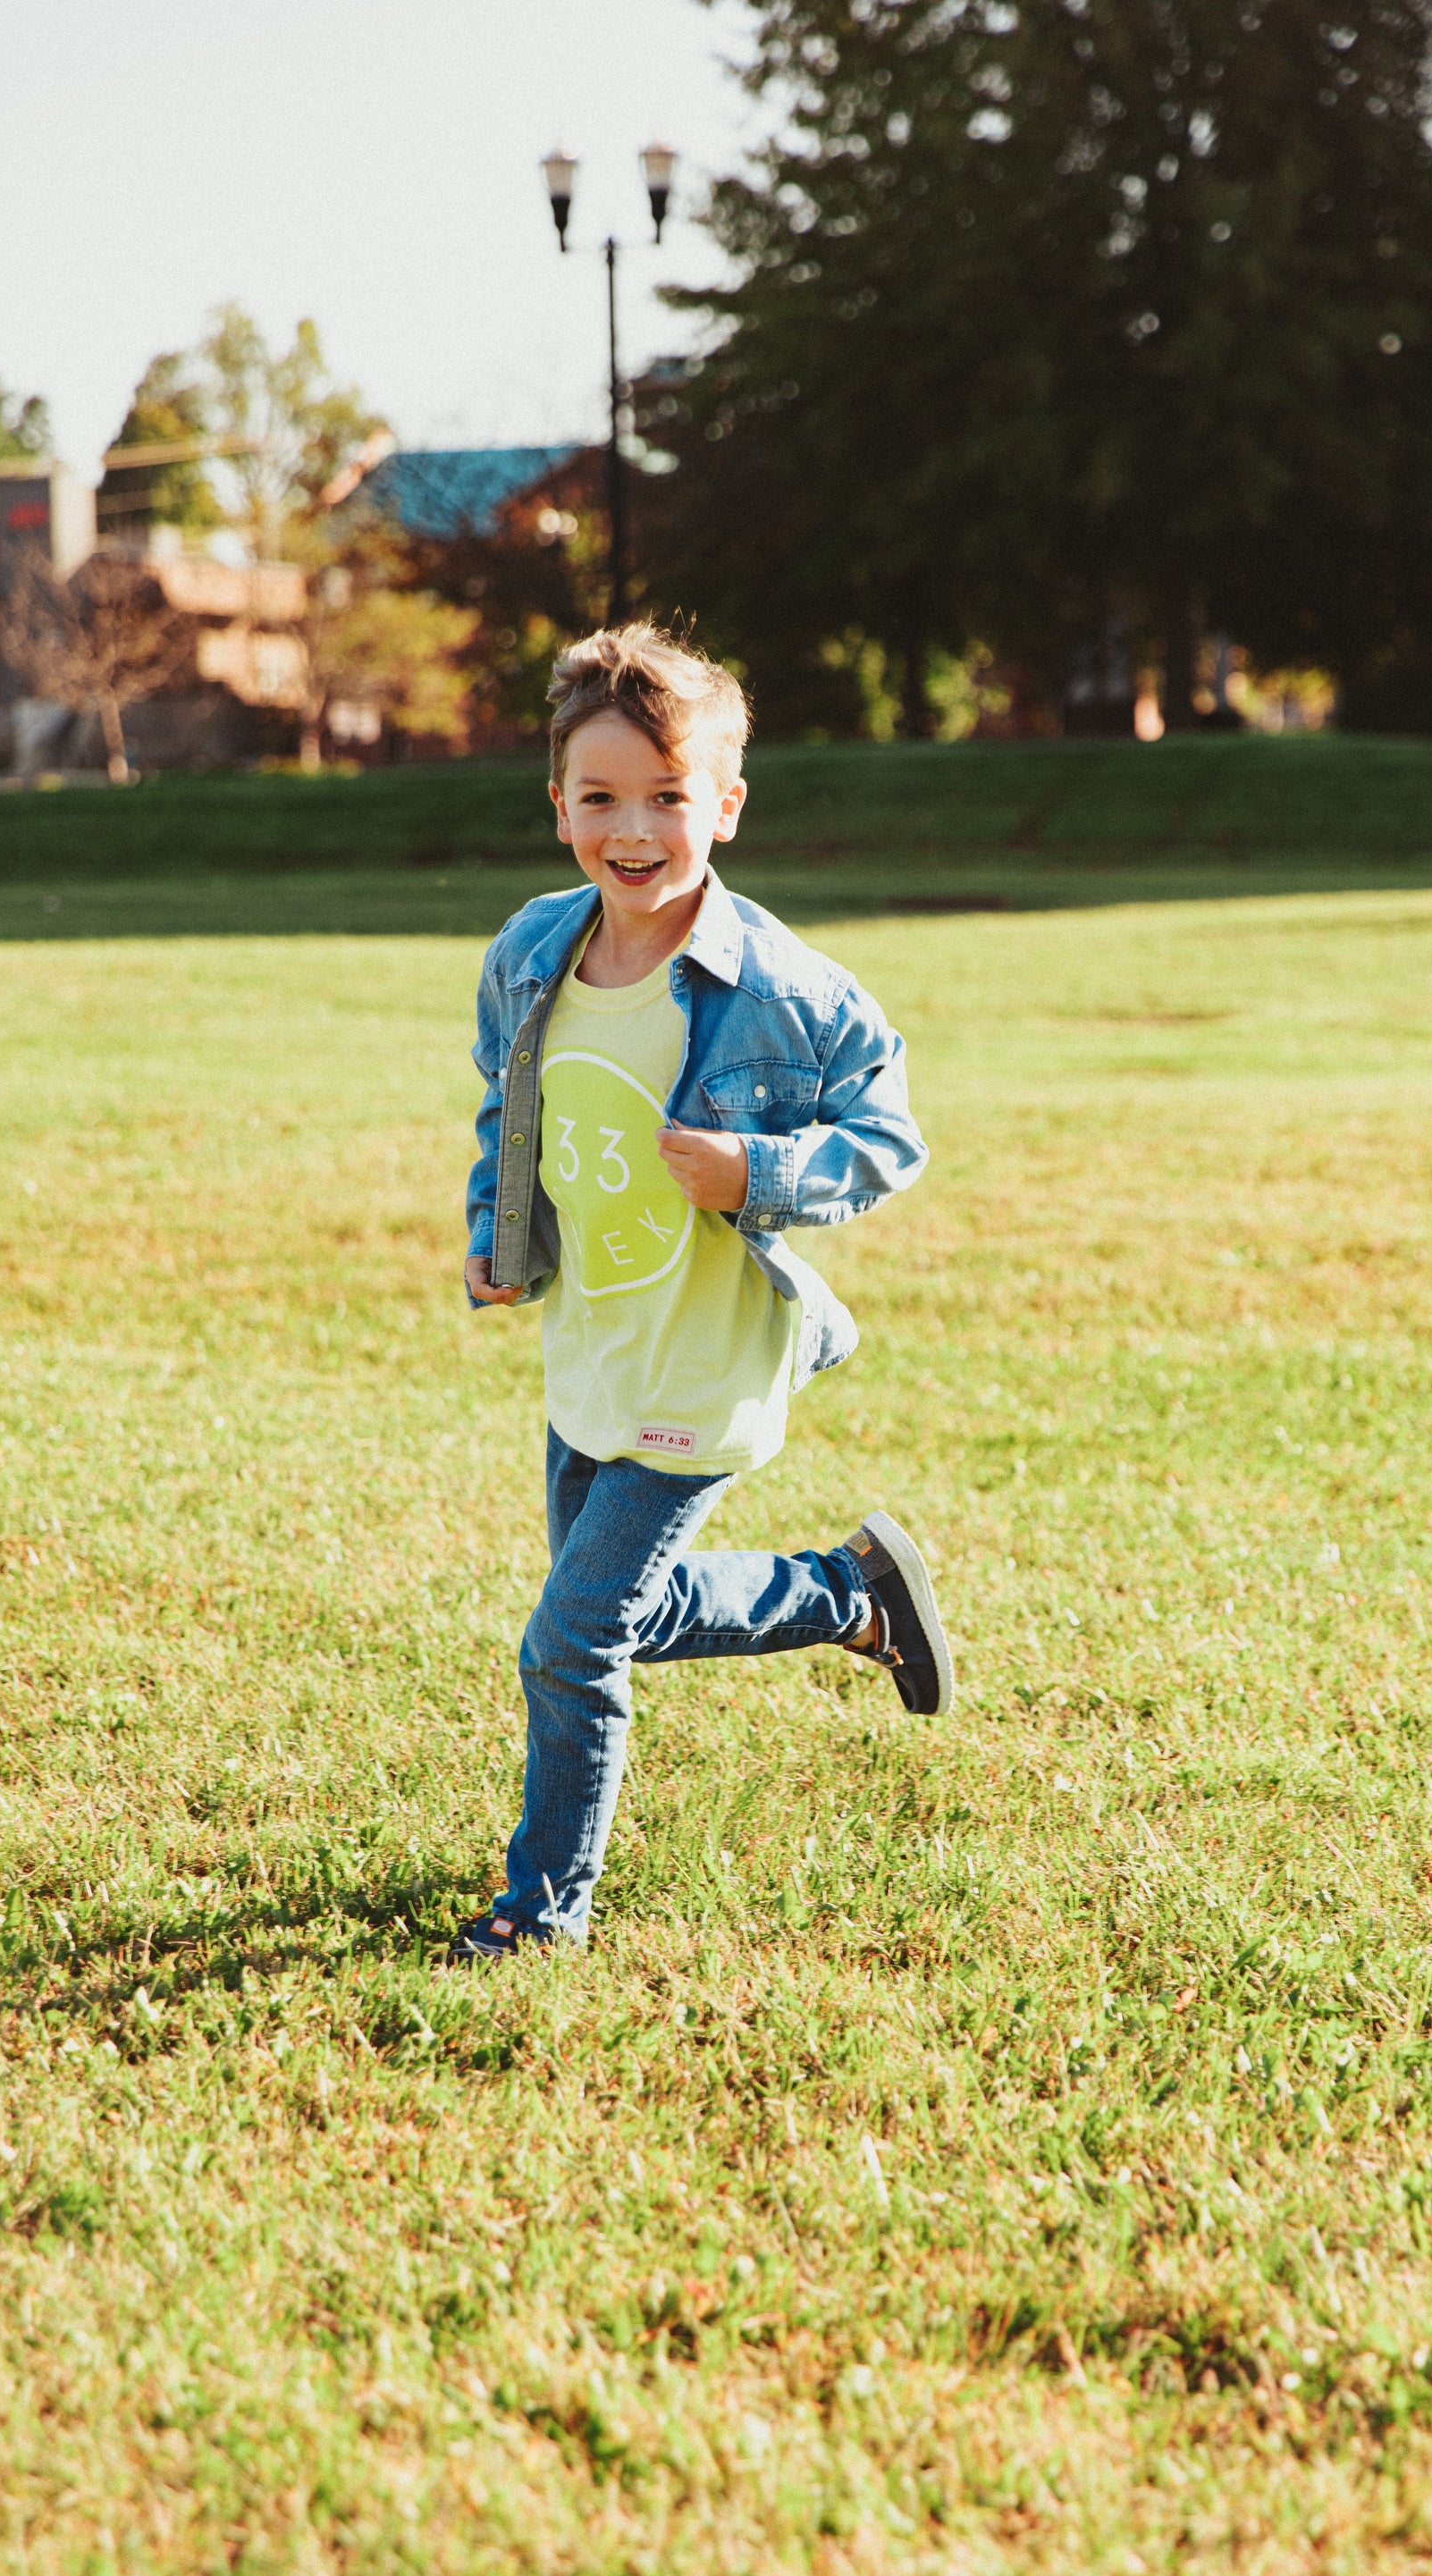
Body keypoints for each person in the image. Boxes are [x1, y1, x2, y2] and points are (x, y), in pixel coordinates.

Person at [451, 622, 950, 1959]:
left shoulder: (776, 985)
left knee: (569, 1644)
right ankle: (848, 1593)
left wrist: (760, 1168)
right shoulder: (531, 955)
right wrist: (496, 1234)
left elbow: (889, 1134)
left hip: (709, 1358)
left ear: (723, 804)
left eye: (668, 796)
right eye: (601, 795)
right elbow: (515, 1109)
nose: (634, 828)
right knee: (625, 1612)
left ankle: (540, 1912)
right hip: (596, 1345)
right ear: (557, 802)